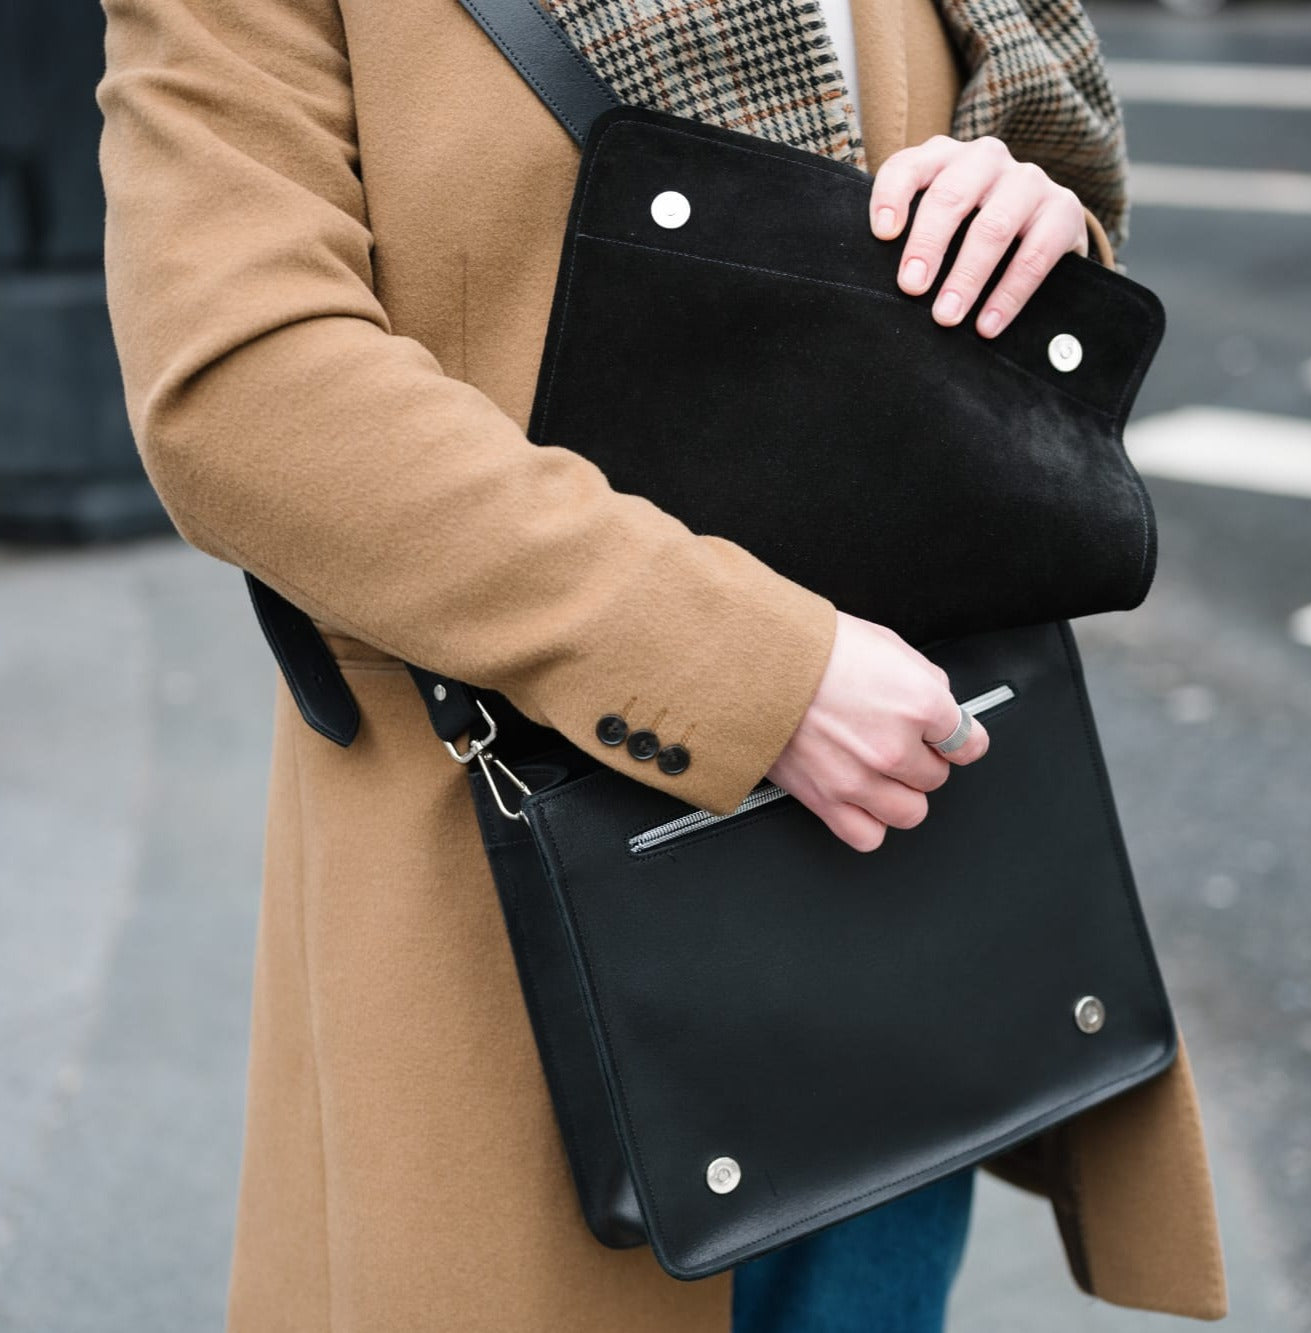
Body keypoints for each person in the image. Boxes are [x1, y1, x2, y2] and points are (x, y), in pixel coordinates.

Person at [98, 0, 1227, 1328]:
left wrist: (1025, 215)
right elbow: (241, 385)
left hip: (899, 893)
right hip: (525, 935)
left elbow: (940, 223)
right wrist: (752, 668)